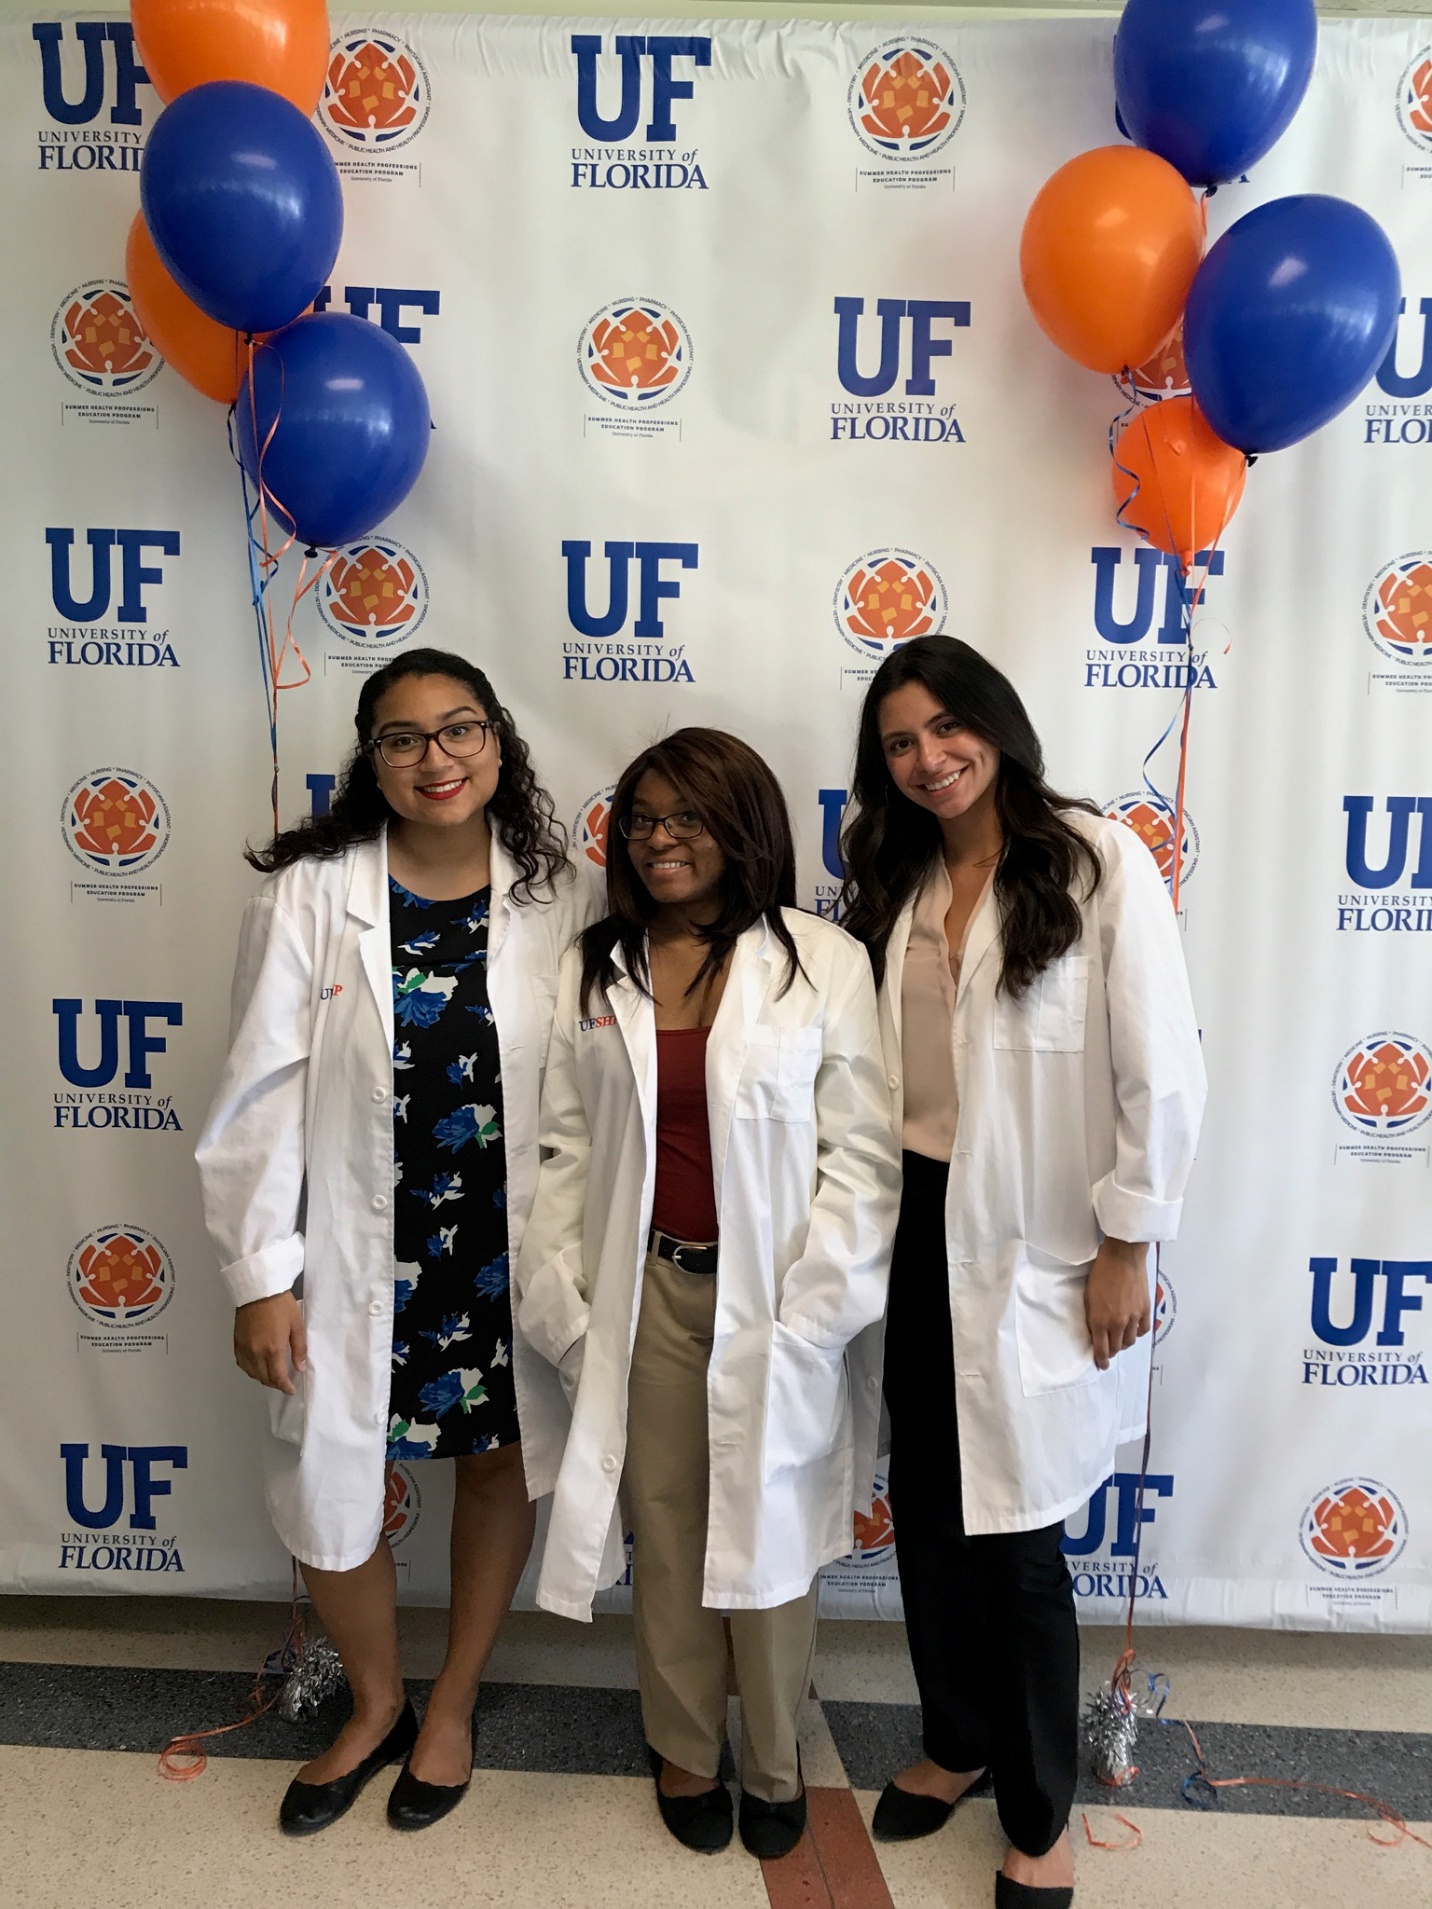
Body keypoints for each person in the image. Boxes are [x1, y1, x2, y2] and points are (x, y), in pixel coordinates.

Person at [196, 647, 592, 1836]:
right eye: (405, 737)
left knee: (493, 1461)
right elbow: (255, 1096)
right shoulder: (311, 897)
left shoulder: (558, 894)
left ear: (498, 741)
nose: (437, 758)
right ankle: (372, 1705)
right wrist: (262, 1274)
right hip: (356, 1250)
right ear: (371, 758)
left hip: (504, 1247)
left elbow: (589, 1090)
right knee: (334, 1472)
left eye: (460, 728)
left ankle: (452, 1703)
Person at [839, 636, 1206, 1909]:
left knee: (1023, 1541)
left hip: (1044, 1238)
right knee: (930, 1515)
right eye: (899, 743)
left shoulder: (1096, 858)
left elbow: (1159, 1064)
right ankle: (956, 1738)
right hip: (912, 1219)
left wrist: (1126, 1239)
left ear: (995, 723)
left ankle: (1039, 1813)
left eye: (947, 730)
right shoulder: (891, 870)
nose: (929, 759)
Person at [515, 729, 901, 1858]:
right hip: (648, 1295)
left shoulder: (821, 960)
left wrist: (813, 1311)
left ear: (743, 826)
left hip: (776, 1299)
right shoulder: (597, 963)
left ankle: (775, 1757)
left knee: (772, 1532)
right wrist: (568, 1300)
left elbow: (862, 1156)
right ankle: (684, 1747)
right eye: (641, 818)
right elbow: (562, 1146)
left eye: (686, 816)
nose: (660, 839)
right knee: (669, 1526)